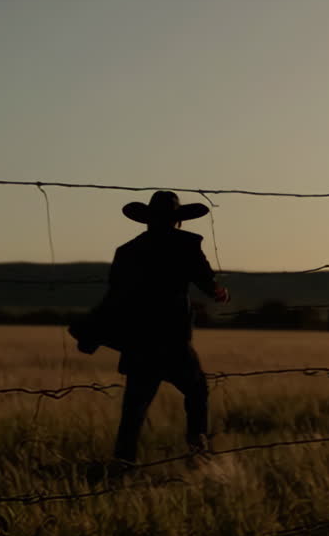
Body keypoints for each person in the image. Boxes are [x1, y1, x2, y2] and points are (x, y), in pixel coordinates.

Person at [69, 190, 229, 467]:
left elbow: (114, 298)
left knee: (134, 407)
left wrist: (92, 331)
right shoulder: (186, 244)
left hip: (139, 341)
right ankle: (198, 451)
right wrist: (219, 292)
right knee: (197, 391)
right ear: (178, 221)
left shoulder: (127, 251)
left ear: (146, 220)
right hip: (173, 339)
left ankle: (123, 462)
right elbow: (206, 280)